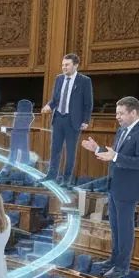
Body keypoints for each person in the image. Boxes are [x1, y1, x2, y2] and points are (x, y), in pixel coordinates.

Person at [82, 96, 139, 278]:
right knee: (115, 227)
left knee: (125, 229)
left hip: (128, 189)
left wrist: (115, 157)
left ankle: (122, 267)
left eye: (121, 113)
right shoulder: (122, 131)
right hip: (114, 186)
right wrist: (96, 149)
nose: (118, 117)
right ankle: (113, 260)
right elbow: (113, 155)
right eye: (117, 113)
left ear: (133, 112)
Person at [43, 53, 93, 185]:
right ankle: (51, 175)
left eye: (67, 65)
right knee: (55, 150)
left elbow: (88, 103)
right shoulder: (59, 79)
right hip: (58, 118)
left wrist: (86, 120)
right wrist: (48, 106)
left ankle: (66, 179)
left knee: (70, 152)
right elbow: (55, 99)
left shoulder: (84, 81)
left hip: (73, 121)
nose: (64, 67)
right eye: (62, 65)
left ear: (75, 65)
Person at [9, 99, 34, 164]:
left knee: (15, 150)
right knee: (23, 150)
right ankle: (23, 162)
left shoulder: (19, 115)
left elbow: (16, 124)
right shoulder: (29, 115)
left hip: (17, 133)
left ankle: (13, 161)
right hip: (22, 133)